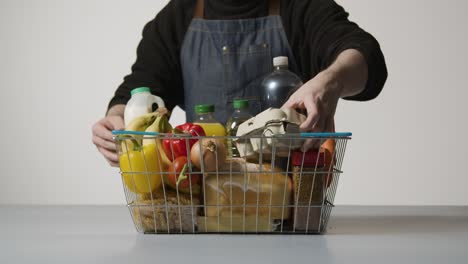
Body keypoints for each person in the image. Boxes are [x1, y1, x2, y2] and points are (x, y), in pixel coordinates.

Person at [92, 0, 387, 167]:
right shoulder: (177, 18)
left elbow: (366, 57)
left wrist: (330, 81)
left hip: (293, 203)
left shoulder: (300, 8)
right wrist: (117, 117)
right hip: (206, 200)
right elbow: (142, 84)